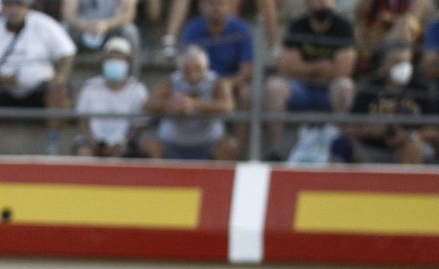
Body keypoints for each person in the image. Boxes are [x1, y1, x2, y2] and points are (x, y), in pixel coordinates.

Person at [0, 0, 75, 156]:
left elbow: (67, 53)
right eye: (9, 5)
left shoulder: (43, 24)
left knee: (58, 89)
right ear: (3, 8)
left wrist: (60, 77)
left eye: (19, 5)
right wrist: (3, 79)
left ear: (27, 7)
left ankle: (53, 145)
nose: (14, 10)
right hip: (5, 88)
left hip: (40, 88)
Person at [264, 0, 357, 160]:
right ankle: (276, 152)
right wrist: (320, 67)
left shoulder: (343, 27)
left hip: (329, 91)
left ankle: (343, 150)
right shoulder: (298, 25)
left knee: (344, 86)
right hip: (302, 89)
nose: (323, 4)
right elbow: (285, 66)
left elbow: (343, 70)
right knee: (274, 86)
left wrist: (304, 67)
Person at [337, 41, 437, 164]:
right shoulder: (370, 87)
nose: (402, 66)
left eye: (406, 62)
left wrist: (410, 136)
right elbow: (349, 127)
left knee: (412, 147)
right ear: (384, 64)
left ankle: (405, 183)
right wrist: (372, 130)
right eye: (396, 62)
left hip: (409, 146)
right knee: (344, 145)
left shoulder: (422, 89)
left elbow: (434, 129)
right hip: (372, 147)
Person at [141, 43, 239, 160]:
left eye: (198, 68)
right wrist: (170, 106)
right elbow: (148, 105)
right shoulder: (172, 82)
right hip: (171, 141)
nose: (193, 75)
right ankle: (156, 177)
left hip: (209, 142)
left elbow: (228, 106)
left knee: (230, 146)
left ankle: (219, 178)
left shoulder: (217, 82)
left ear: (206, 68)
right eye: (188, 70)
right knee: (149, 143)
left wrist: (196, 105)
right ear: (181, 69)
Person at [73, 36, 149, 156]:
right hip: (92, 141)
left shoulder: (138, 90)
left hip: (125, 142)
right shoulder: (90, 86)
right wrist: (93, 142)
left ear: (128, 62)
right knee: (84, 152)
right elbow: (83, 121)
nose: (114, 61)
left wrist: (122, 142)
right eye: (111, 58)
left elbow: (139, 125)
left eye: (119, 58)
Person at [178, 0, 254, 99]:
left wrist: (225, 84)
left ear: (229, 6)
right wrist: (206, 84)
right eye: (210, 3)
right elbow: (187, 65)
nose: (215, 8)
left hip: (231, 84)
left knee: (246, 92)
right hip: (199, 82)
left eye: (220, 3)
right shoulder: (192, 29)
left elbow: (246, 70)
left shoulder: (242, 29)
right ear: (201, 6)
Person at [60, 0, 140, 62]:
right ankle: (59, 76)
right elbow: (68, 15)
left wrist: (106, 25)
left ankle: (132, 79)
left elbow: (128, 15)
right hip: (81, 30)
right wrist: (86, 25)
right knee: (63, 28)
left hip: (111, 30)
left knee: (130, 31)